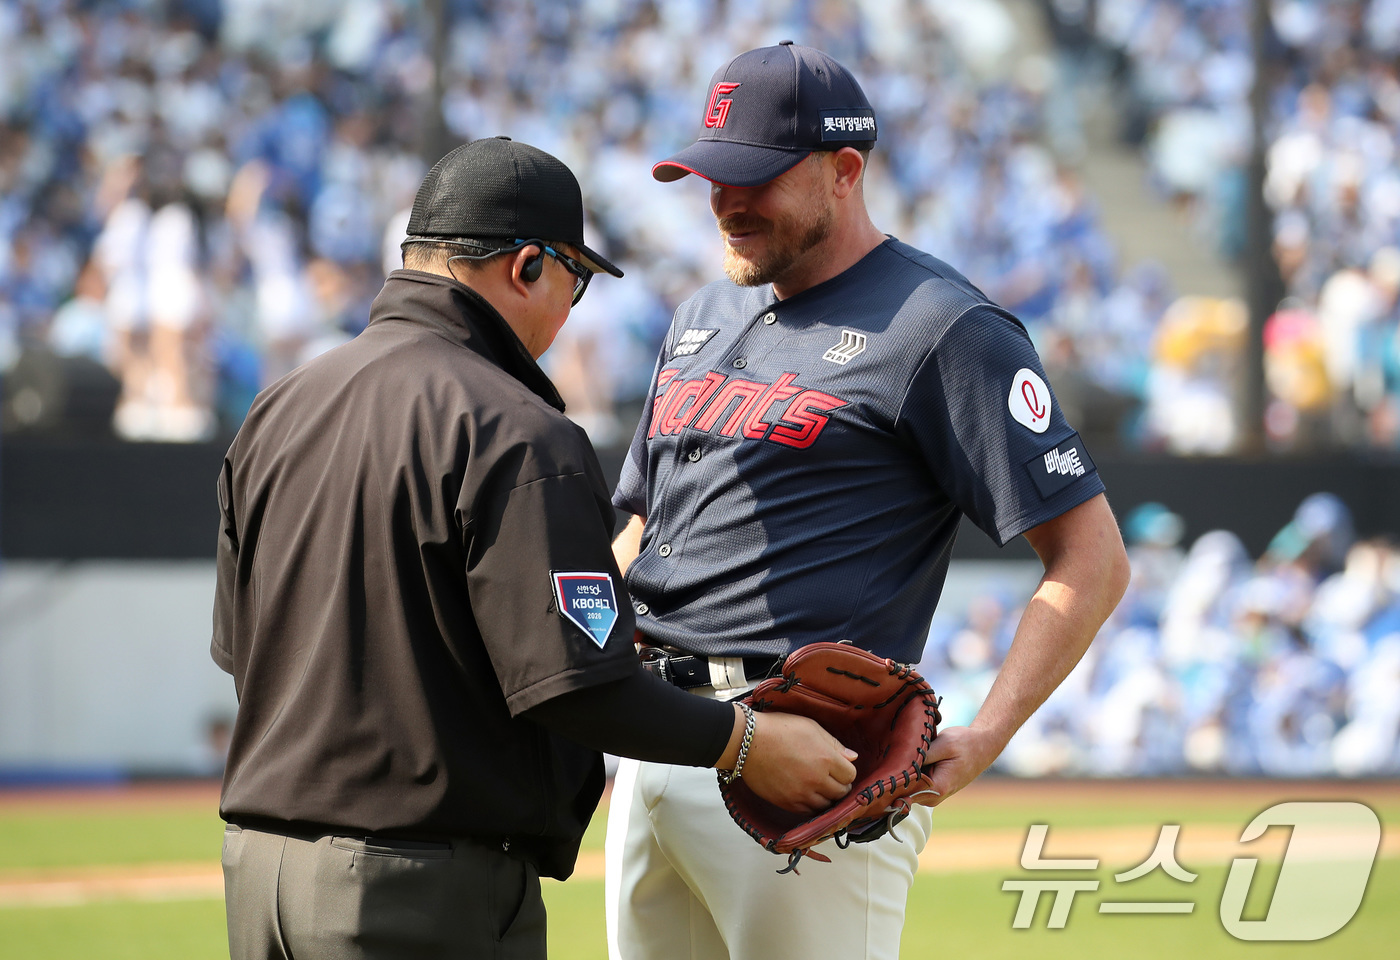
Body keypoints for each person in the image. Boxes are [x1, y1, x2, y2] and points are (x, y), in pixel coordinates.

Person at [212, 136, 858, 960]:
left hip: (258, 876)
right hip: (418, 890)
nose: (570, 309)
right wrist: (745, 743)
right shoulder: (517, 431)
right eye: (574, 279)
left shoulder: (278, 410)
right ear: (526, 268)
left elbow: (242, 652)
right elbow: (575, 688)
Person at [605, 43, 1132, 960]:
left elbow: (1091, 557)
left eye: (755, 178)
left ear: (845, 171)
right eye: (710, 176)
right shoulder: (699, 314)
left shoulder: (943, 328)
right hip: (656, 738)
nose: (727, 201)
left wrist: (992, 730)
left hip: (803, 763)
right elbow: (642, 532)